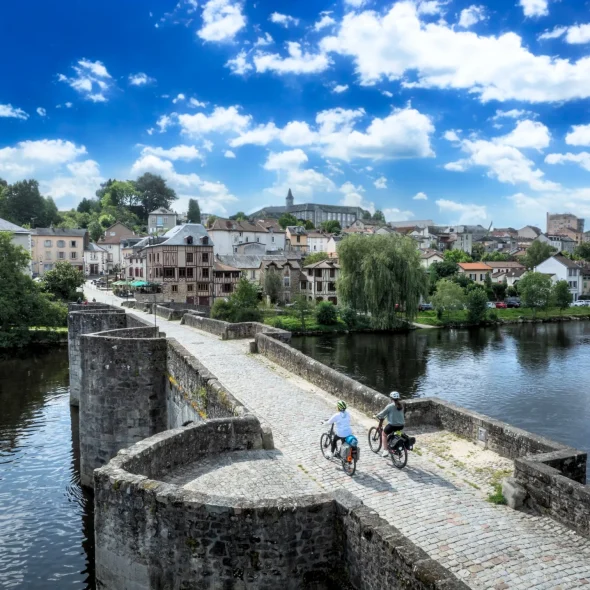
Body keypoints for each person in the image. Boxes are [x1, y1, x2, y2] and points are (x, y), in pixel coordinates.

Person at [376, 391, 405, 458]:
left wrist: (376, 415)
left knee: (384, 434)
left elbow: (382, 414)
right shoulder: (401, 405)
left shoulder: (390, 406)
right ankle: (397, 450)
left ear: (391, 398)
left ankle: (385, 450)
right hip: (401, 426)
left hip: (392, 426)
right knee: (397, 435)